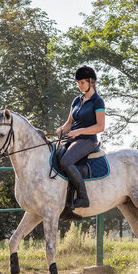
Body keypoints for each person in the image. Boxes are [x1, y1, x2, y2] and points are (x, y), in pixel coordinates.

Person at [56, 65, 105, 208]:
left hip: (88, 140)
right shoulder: (76, 101)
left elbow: (100, 127)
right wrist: (61, 129)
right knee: (54, 155)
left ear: (91, 82)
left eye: (82, 82)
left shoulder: (97, 101)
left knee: (65, 162)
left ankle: (83, 197)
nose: (79, 85)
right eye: (78, 83)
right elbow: (69, 123)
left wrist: (80, 131)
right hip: (73, 138)